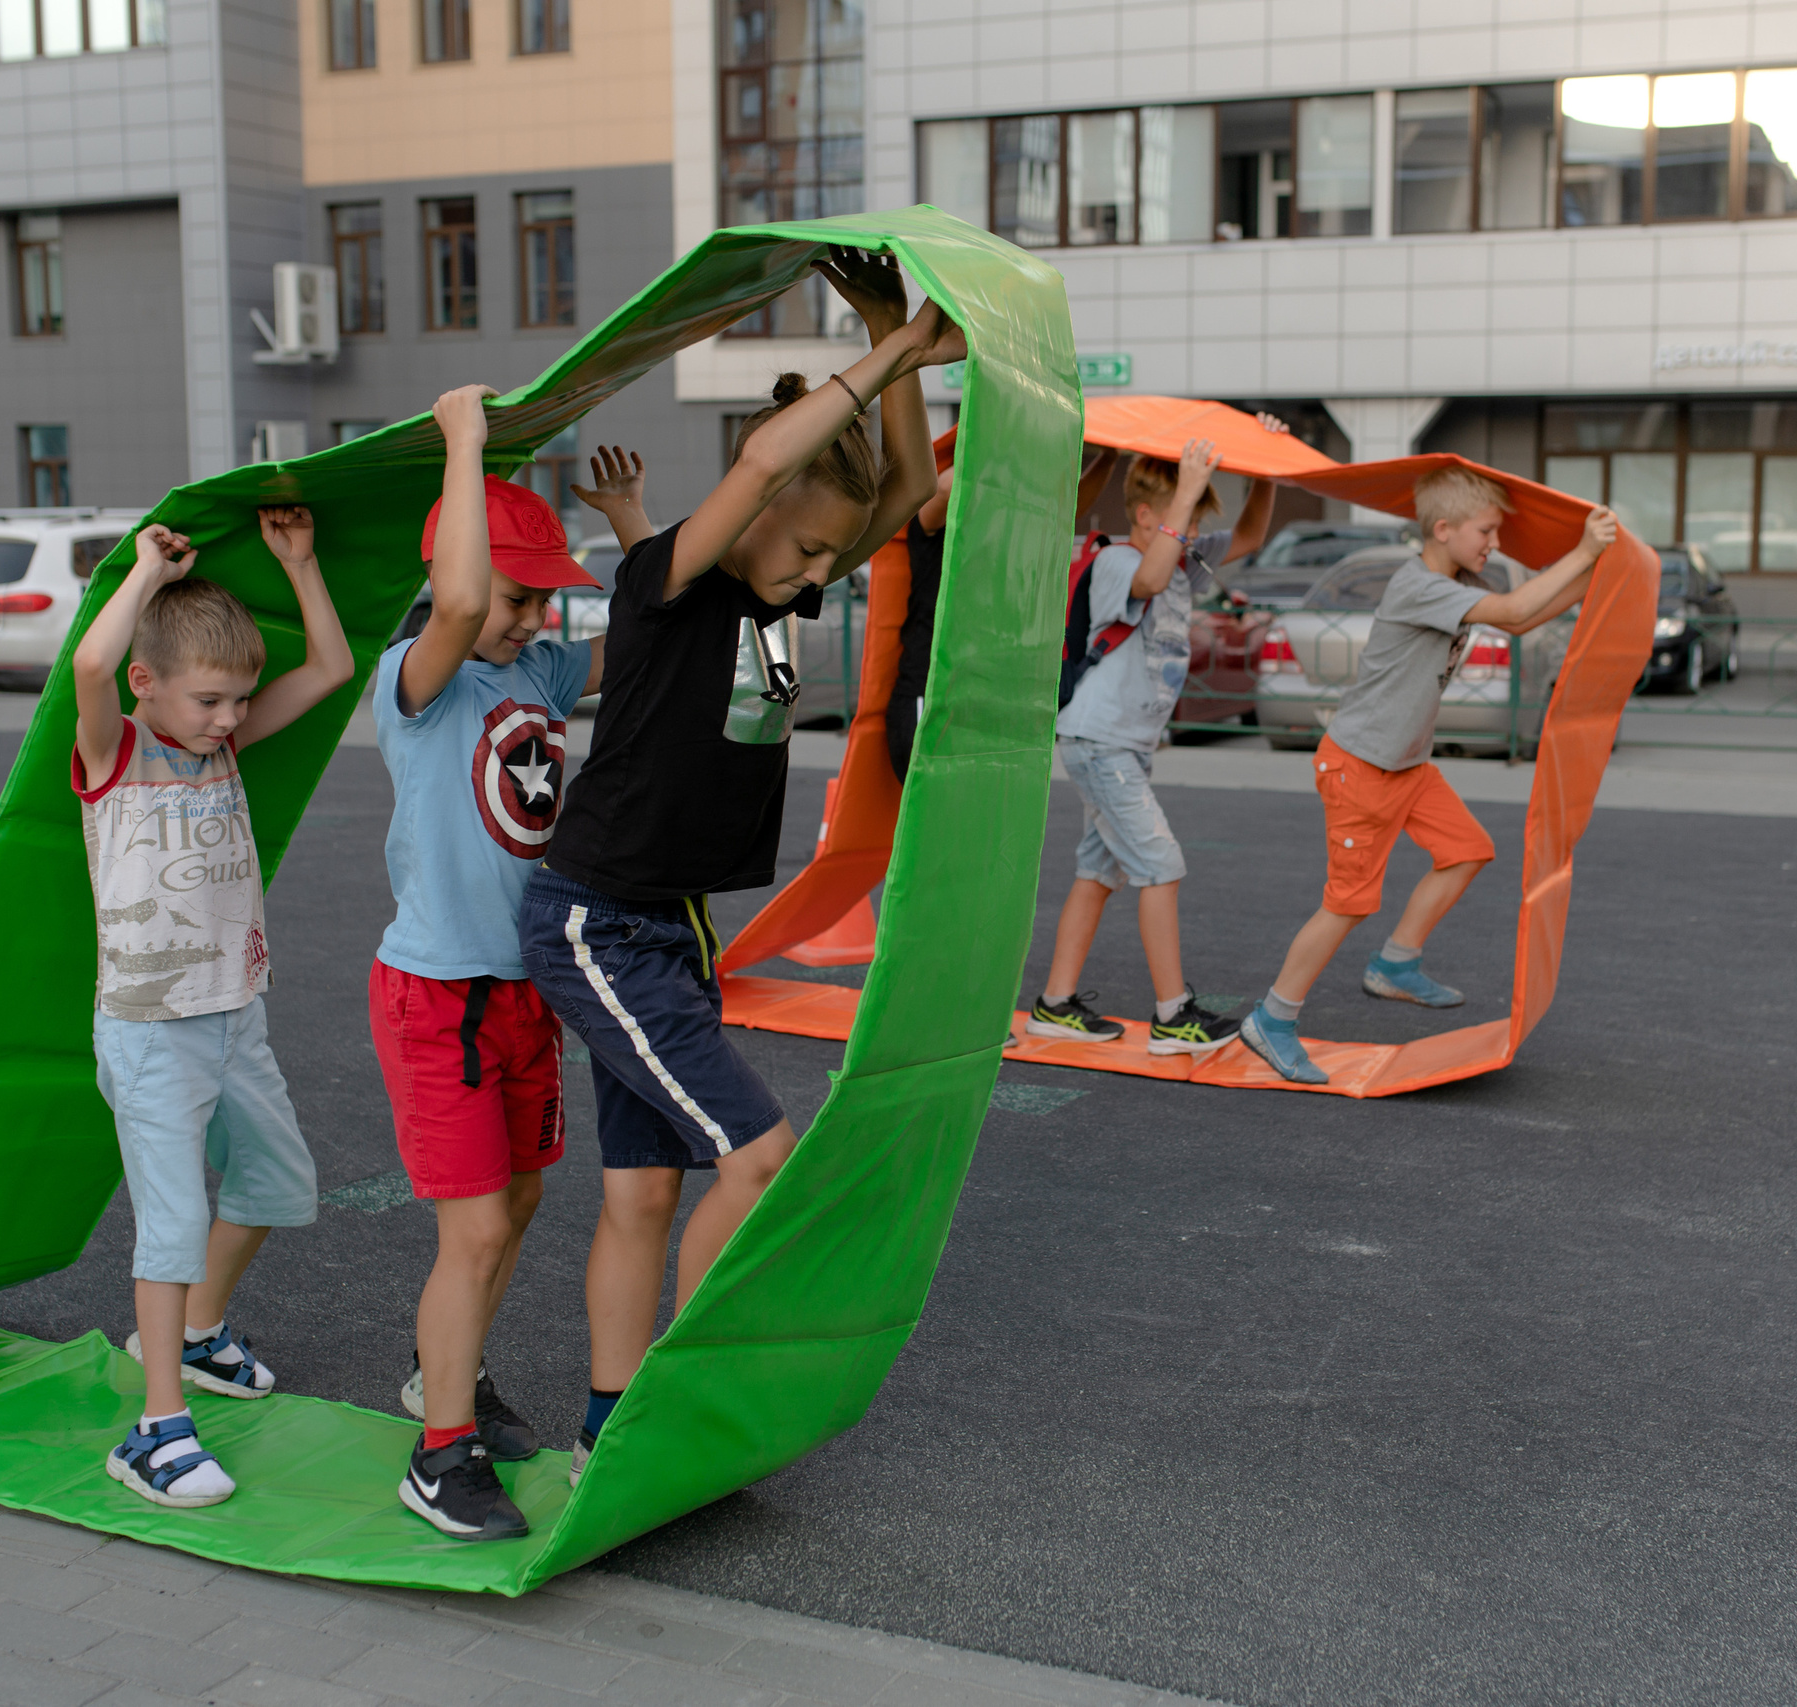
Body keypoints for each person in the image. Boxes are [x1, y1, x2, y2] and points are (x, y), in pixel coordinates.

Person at [518, 247, 960, 1485]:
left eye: (830, 560)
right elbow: (771, 460)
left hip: (673, 926)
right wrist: (882, 359)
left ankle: (609, 1428)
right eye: (809, 551)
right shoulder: (668, 584)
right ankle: (680, 1401)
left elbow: (914, 485)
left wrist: (894, 337)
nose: (823, 576)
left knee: (646, 1197)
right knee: (757, 1156)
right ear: (753, 513)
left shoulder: (780, 599)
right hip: (596, 924)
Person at [70, 506, 354, 1507]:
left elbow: (327, 671)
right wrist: (143, 574)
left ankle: (198, 1334)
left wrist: (302, 564)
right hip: (151, 1028)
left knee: (278, 1185)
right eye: (209, 701)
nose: (231, 719)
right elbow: (90, 672)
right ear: (151, 687)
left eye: (237, 701)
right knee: (172, 1223)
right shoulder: (117, 756)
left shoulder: (220, 748)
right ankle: (154, 1430)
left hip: (236, 1014)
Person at [370, 386, 606, 1543]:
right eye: (520, 598)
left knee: (516, 1202)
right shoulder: (420, 680)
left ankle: (438, 1380)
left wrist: (645, 524)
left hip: (523, 992)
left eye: (542, 601)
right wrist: (464, 441)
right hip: (438, 994)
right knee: (470, 1230)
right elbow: (461, 600)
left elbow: (646, 643)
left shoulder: (537, 677)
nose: (528, 619)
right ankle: (438, 1456)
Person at [1237, 470, 1617, 1085]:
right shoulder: (1419, 586)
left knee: (1467, 850)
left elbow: (1520, 622)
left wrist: (1597, 582)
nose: (1495, 542)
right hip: (1360, 764)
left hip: (1405, 766)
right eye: (1486, 531)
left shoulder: (1456, 579)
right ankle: (1271, 1019)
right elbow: (1519, 607)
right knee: (1348, 903)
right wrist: (1585, 552)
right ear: (1443, 530)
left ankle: (1395, 964)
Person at [1024, 424, 1285, 1053]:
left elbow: (1250, 536)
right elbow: (1145, 581)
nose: (1192, 534)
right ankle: (1175, 1016)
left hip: (1123, 746)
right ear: (1147, 515)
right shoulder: (1118, 560)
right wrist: (1187, 486)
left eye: (1195, 522)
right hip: (1100, 740)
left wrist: (1264, 477)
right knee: (1161, 865)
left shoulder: (1182, 569)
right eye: (1184, 519)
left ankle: (1055, 1005)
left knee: (1099, 870)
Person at [886, 445, 1121, 777]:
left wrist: (1109, 458)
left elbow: (1069, 509)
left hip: (984, 704)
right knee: (936, 819)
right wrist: (1000, 439)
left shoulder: (1006, 534)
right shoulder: (935, 530)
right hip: (932, 698)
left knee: (973, 823)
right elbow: (944, 487)